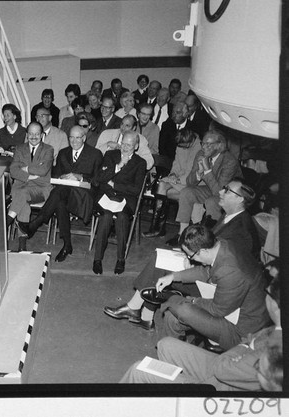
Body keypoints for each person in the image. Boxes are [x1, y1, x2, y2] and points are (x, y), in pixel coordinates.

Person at [105, 179, 262, 331]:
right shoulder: (230, 216)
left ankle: (140, 312)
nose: (221, 191)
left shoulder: (243, 232)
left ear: (239, 198)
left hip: (217, 288)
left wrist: (194, 261)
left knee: (161, 263)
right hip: (206, 266)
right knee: (160, 257)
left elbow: (228, 270)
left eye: (227, 190)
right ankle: (143, 315)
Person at [120, 269, 281, 391]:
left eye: (268, 292)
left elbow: (223, 368)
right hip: (230, 368)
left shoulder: (275, 351)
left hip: (218, 387)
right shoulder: (277, 330)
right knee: (166, 344)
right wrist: (247, 346)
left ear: (276, 305)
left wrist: (245, 347)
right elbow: (251, 341)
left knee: (138, 369)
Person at [154, 225, 270, 351]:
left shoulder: (230, 270)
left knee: (182, 309)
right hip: (235, 309)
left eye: (190, 256)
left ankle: (171, 353)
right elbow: (207, 272)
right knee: (172, 316)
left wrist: (192, 300)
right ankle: (168, 356)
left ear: (203, 251)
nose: (190, 259)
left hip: (241, 331)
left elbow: (217, 310)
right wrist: (173, 276)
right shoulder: (222, 245)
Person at [23, 125, 103, 262]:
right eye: (71, 137)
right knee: (60, 201)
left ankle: (38, 221)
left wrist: (80, 176)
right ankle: (67, 245)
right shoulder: (63, 153)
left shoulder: (95, 154)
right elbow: (55, 174)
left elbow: (98, 180)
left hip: (84, 196)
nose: (74, 141)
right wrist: (60, 178)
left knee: (60, 194)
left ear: (84, 138)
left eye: (78, 137)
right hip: (63, 194)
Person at [167, 129, 243, 246]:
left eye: (209, 144)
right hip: (210, 188)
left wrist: (207, 171)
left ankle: (210, 239)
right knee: (186, 192)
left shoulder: (229, 161)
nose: (204, 147)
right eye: (203, 143)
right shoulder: (200, 154)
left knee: (211, 201)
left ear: (219, 145)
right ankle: (182, 234)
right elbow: (189, 183)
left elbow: (219, 192)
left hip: (228, 194)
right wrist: (198, 174)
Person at [92, 131, 146, 275]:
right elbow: (99, 178)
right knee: (106, 216)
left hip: (126, 200)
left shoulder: (140, 163)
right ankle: (97, 259)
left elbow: (135, 189)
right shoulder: (111, 156)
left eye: (129, 145)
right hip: (106, 197)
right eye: (123, 144)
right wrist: (118, 165)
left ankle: (120, 259)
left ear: (136, 146)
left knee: (122, 217)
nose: (125, 147)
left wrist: (114, 184)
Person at [143, 129, 202, 238]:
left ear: (191, 141)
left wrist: (178, 180)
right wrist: (173, 175)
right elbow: (176, 163)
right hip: (178, 178)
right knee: (162, 184)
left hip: (190, 181)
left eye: (184, 146)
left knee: (167, 191)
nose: (182, 148)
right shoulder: (181, 144)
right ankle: (157, 228)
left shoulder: (199, 148)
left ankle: (161, 229)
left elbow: (192, 171)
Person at [7, 122, 54, 251]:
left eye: (37, 133)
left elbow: (43, 170)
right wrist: (28, 176)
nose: (34, 136)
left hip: (40, 189)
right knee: (24, 205)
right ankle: (22, 245)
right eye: (31, 134)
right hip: (21, 186)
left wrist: (26, 168)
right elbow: (13, 170)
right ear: (27, 135)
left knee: (22, 195)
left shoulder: (48, 149)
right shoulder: (20, 148)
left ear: (42, 135)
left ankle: (5, 222)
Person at [157, 101, 190, 173]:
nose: (174, 115)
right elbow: (162, 147)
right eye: (173, 112)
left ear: (186, 114)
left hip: (185, 164)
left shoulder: (193, 128)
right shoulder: (167, 125)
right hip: (167, 161)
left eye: (177, 113)